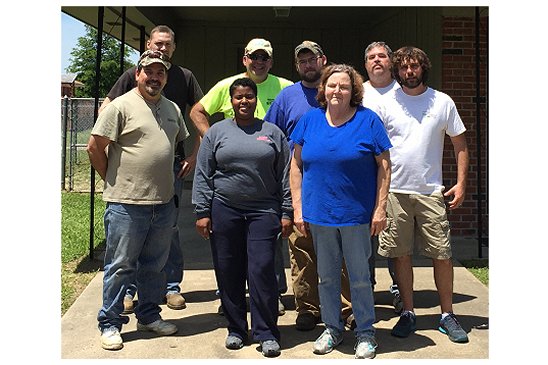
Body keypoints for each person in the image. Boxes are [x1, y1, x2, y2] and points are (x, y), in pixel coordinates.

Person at [99, 25, 204, 313]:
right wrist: (114, 166)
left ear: (173, 48)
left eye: (168, 44)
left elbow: (198, 113)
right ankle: (128, 294)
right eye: (158, 43)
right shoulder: (131, 76)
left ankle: (170, 288)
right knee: (132, 238)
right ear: (148, 44)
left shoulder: (184, 77)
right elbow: (105, 112)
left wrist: (196, 154)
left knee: (166, 231)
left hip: (172, 168)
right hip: (129, 181)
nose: (162, 48)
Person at [87, 50, 188, 350]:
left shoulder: (172, 109)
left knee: (154, 266)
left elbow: (172, 146)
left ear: (166, 78)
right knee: (120, 266)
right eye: (149, 71)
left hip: (163, 203)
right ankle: (110, 323)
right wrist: (113, 181)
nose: (154, 77)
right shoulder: (120, 106)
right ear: (137, 73)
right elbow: (95, 147)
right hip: (126, 205)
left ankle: (148, 315)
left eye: (161, 73)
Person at [290, 64, 392, 359]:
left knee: (360, 277)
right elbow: (296, 166)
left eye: (344, 86)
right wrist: (298, 208)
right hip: (319, 215)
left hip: (356, 215)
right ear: (323, 89)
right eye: (332, 85)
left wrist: (380, 208)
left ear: (354, 91)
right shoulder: (309, 120)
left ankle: (365, 333)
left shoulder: (367, 121)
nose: (338, 91)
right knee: (327, 276)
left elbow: (384, 167)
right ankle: (332, 328)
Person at [190, 38, 293, 315]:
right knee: (230, 254)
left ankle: (271, 296)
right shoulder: (228, 85)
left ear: (270, 61)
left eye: (264, 58)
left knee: (265, 251)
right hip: (231, 181)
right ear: (244, 59)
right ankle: (232, 299)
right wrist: (212, 138)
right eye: (253, 57)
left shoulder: (285, 86)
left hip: (267, 174)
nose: (258, 62)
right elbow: (197, 110)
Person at [375, 46, 470, 343]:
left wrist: (462, 183)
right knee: (400, 255)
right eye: (403, 67)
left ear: (423, 68)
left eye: (414, 67)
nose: (409, 72)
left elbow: (460, 144)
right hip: (395, 192)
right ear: (396, 70)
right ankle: (409, 313)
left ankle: (447, 314)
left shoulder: (442, 101)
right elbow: (375, 151)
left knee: (442, 254)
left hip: (431, 191)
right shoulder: (385, 103)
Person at [264, 40, 353, 331]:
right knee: (301, 248)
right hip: (298, 183)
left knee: (339, 248)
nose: (307, 65)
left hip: (336, 185)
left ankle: (346, 307)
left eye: (312, 60)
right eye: (302, 61)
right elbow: (269, 135)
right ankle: (308, 307)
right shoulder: (287, 97)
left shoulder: (339, 93)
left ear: (322, 60)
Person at [362, 41, 403, 314]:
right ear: (365, 64)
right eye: (371, 57)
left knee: (397, 242)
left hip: (397, 179)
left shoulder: (406, 92)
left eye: (382, 56)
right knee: (363, 242)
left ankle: (400, 289)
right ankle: (366, 290)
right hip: (362, 179)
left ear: (391, 62)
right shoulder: (358, 92)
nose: (377, 61)